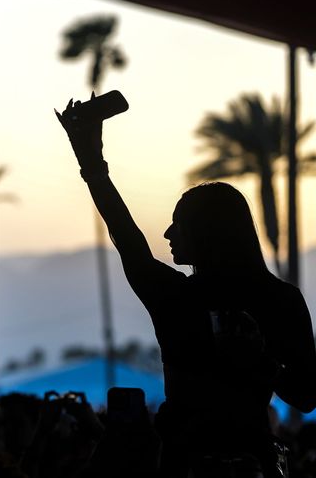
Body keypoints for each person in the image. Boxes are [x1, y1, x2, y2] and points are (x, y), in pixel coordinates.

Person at [56, 93, 316, 477]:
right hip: (252, 462)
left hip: (181, 462)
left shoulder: (175, 297)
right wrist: (264, 366)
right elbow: (305, 395)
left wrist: (91, 162)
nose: (168, 232)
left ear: (208, 232)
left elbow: (125, 236)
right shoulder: (280, 299)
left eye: (179, 223)